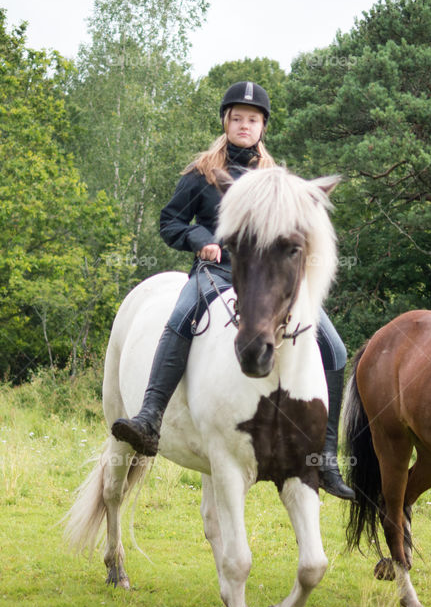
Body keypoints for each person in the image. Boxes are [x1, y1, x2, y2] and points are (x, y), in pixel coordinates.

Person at [111, 81, 354, 500]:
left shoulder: (276, 182)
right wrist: (199, 239)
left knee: (334, 346)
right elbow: (170, 221)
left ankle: (326, 455)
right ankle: (150, 415)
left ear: (263, 127)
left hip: (267, 285)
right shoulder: (201, 173)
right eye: (237, 118)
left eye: (253, 120)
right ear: (225, 122)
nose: (245, 125)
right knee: (179, 318)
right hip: (215, 274)